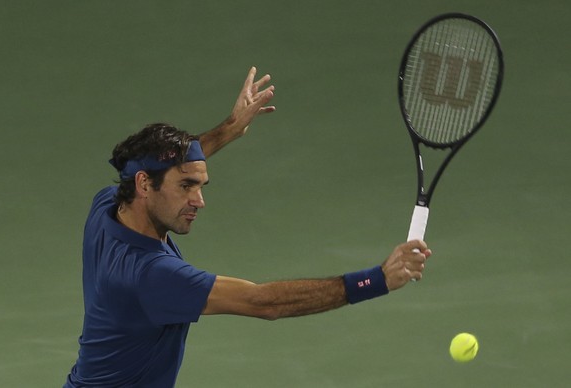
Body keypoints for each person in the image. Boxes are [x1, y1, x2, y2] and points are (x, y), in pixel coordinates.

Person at [64, 67, 432, 387]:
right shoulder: (153, 277)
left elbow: (168, 166)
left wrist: (229, 128)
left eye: (200, 185)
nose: (199, 201)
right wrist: (377, 279)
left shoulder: (108, 206)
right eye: (187, 187)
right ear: (145, 185)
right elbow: (265, 302)